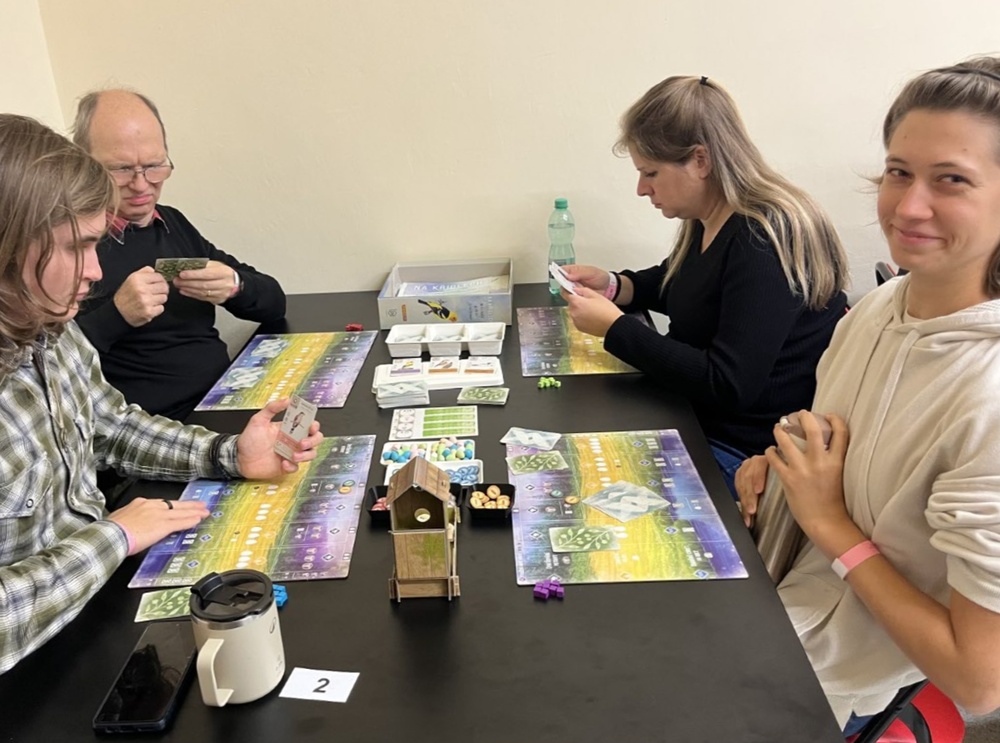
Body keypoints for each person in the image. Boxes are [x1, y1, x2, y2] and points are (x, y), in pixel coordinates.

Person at [0, 114, 322, 675]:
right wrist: (115, 536)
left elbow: (112, 425)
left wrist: (228, 454)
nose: (94, 272)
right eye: (78, 246)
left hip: (95, 607)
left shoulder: (49, 325)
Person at [735, 57, 1000, 734]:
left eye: (951, 180)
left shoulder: (989, 397)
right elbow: (838, 439)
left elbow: (978, 678)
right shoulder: (880, 307)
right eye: (898, 172)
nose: (907, 206)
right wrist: (781, 467)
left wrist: (829, 523)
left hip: (836, 677)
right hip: (773, 600)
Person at [561, 75, 848, 497]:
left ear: (700, 160)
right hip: (696, 415)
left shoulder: (763, 238)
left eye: (650, 173)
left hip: (743, 449)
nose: (642, 189)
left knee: (581, 483)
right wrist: (616, 285)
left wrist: (616, 329)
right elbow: (688, 286)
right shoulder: (711, 215)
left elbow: (728, 384)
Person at [72, 89, 286, 421]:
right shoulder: (69, 244)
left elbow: (275, 304)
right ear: (84, 164)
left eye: (154, 166)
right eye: (121, 169)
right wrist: (116, 316)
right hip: (154, 428)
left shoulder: (171, 222)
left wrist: (236, 285)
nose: (141, 185)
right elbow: (49, 363)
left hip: (227, 397)